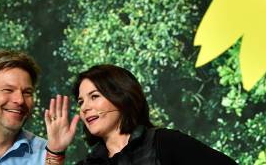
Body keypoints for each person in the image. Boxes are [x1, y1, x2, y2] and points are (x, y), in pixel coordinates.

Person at [43, 65, 237, 164]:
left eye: (94, 96)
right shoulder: (90, 163)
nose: (85, 108)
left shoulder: (164, 143)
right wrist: (56, 151)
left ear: (121, 96)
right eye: (81, 102)